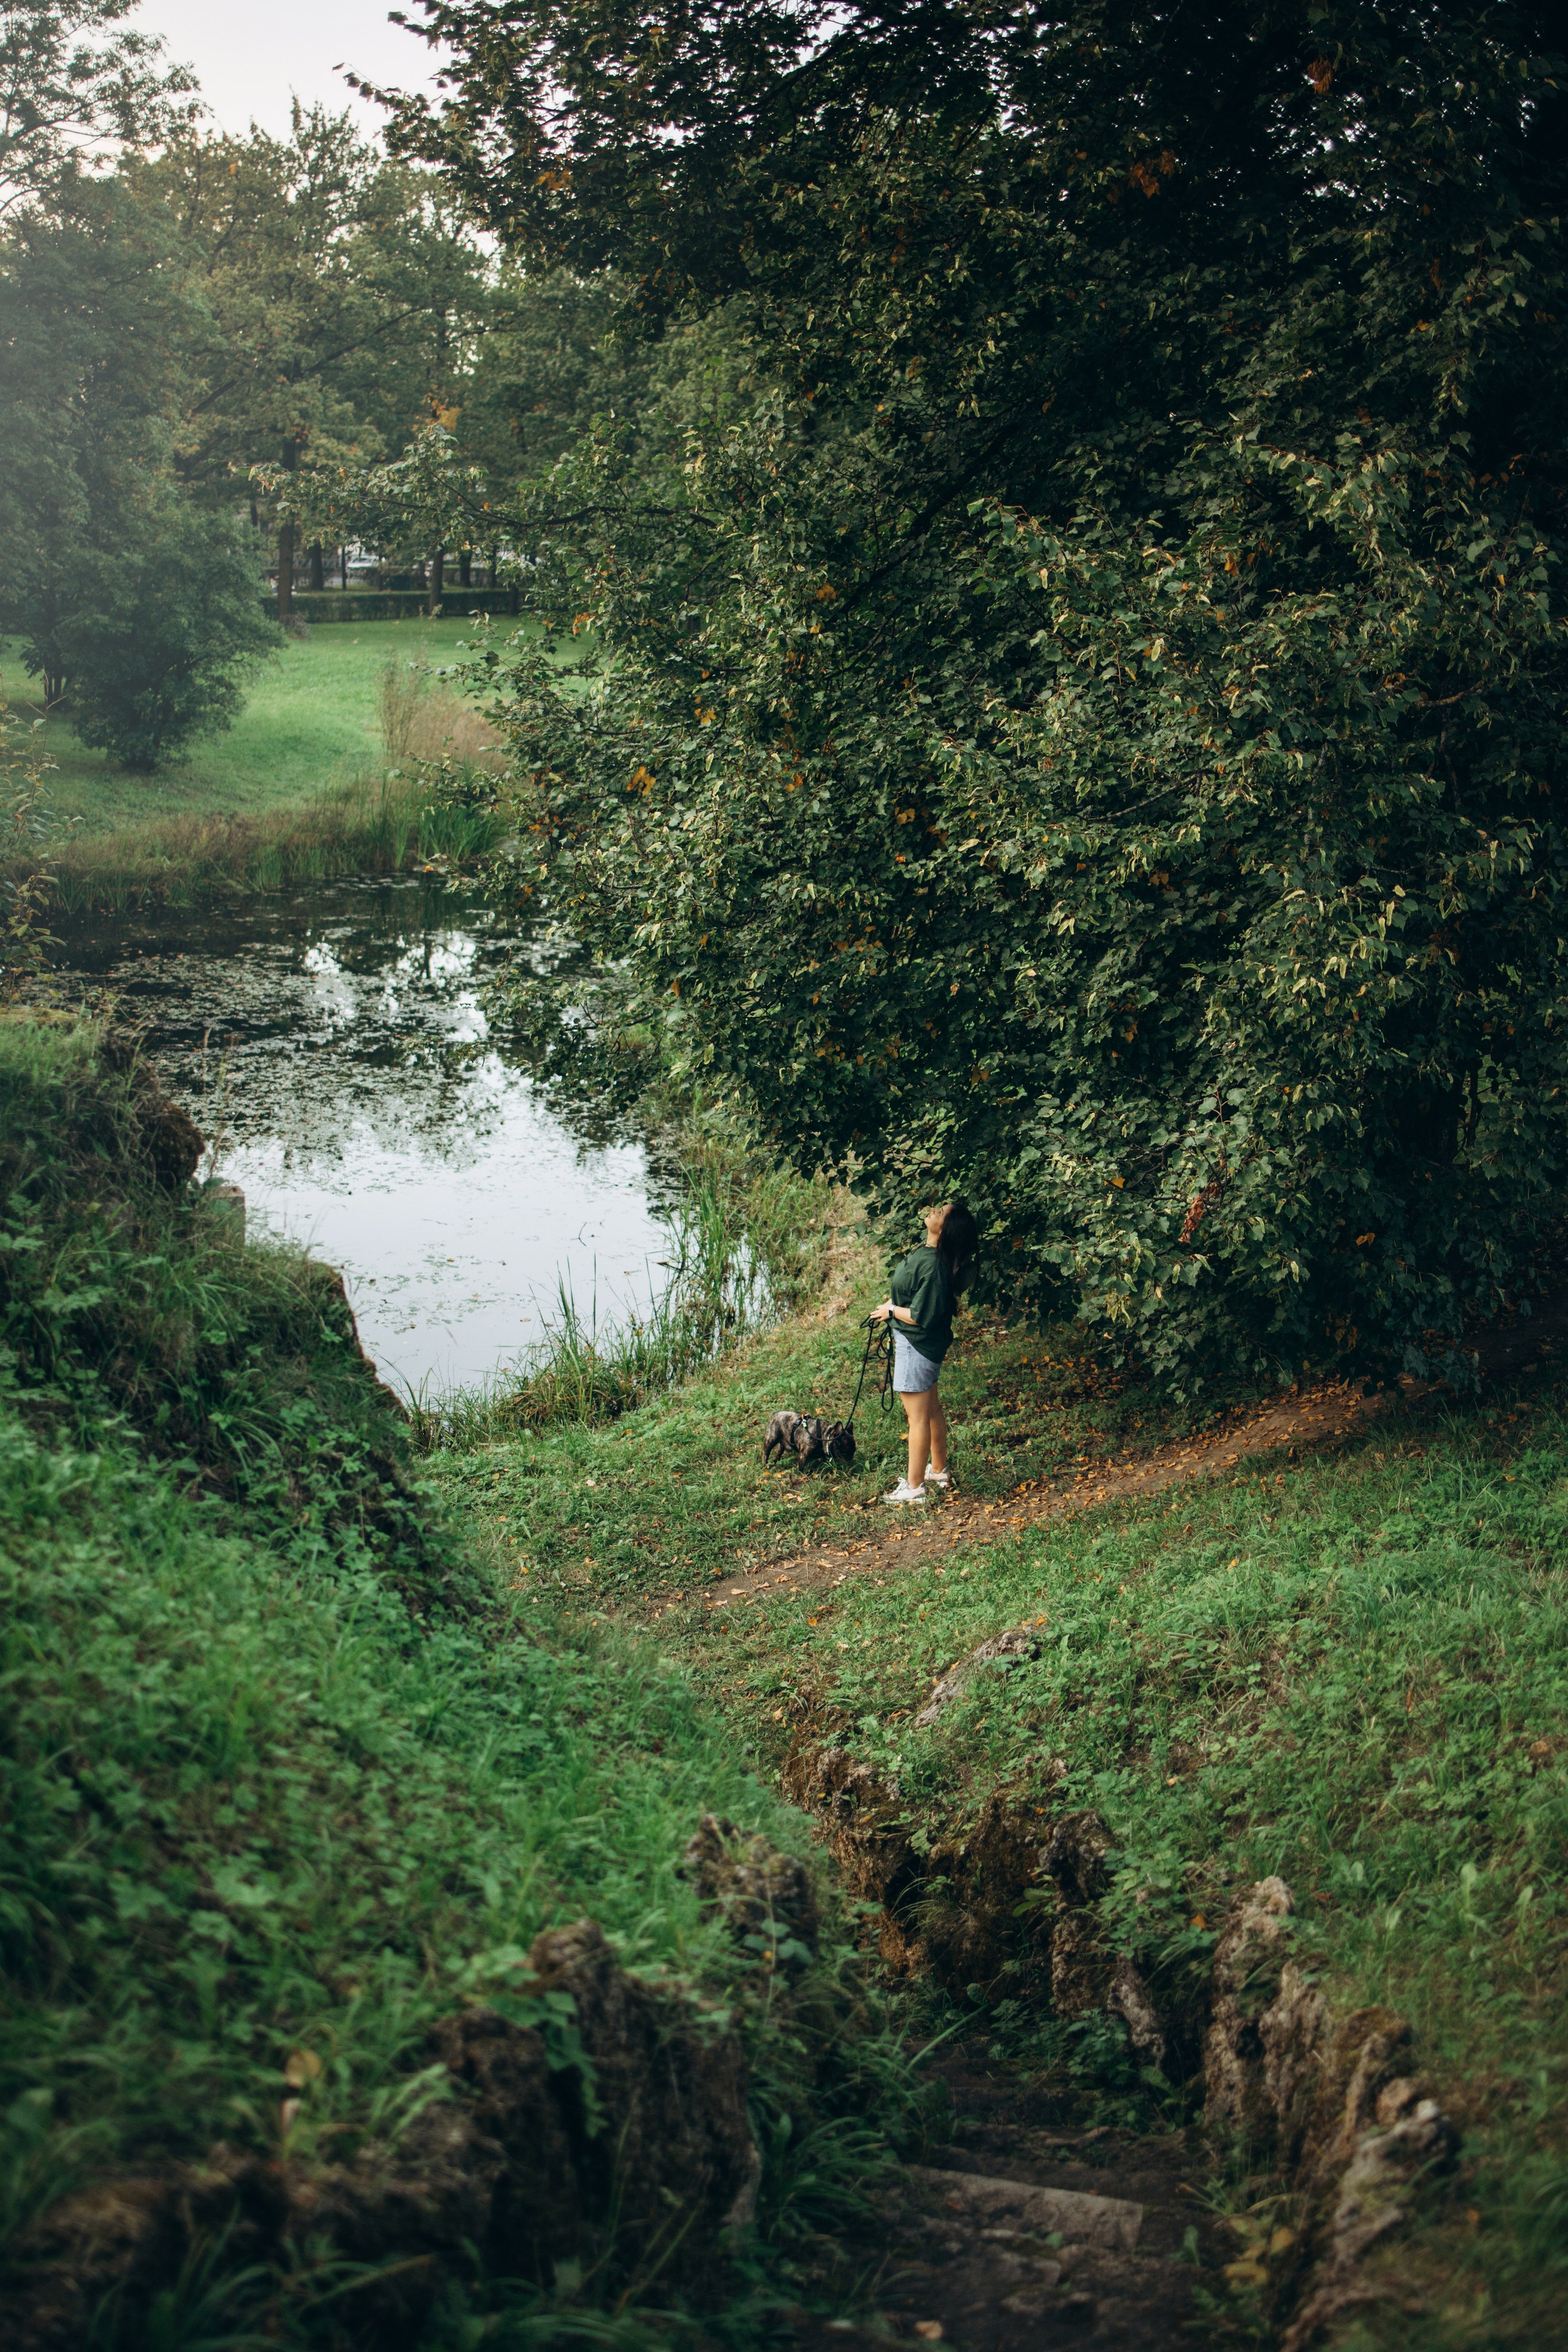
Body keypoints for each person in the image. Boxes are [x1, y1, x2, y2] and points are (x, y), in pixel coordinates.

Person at [871, 1199, 979, 1506]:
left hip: (917, 1344)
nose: (934, 1210)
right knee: (931, 1409)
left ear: (946, 1230)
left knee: (916, 1418)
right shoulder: (929, 1253)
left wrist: (891, 1310)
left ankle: (915, 1487)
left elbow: (920, 1315)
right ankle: (939, 1470)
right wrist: (894, 1307)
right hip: (920, 1343)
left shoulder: (934, 1266)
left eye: (941, 1213)